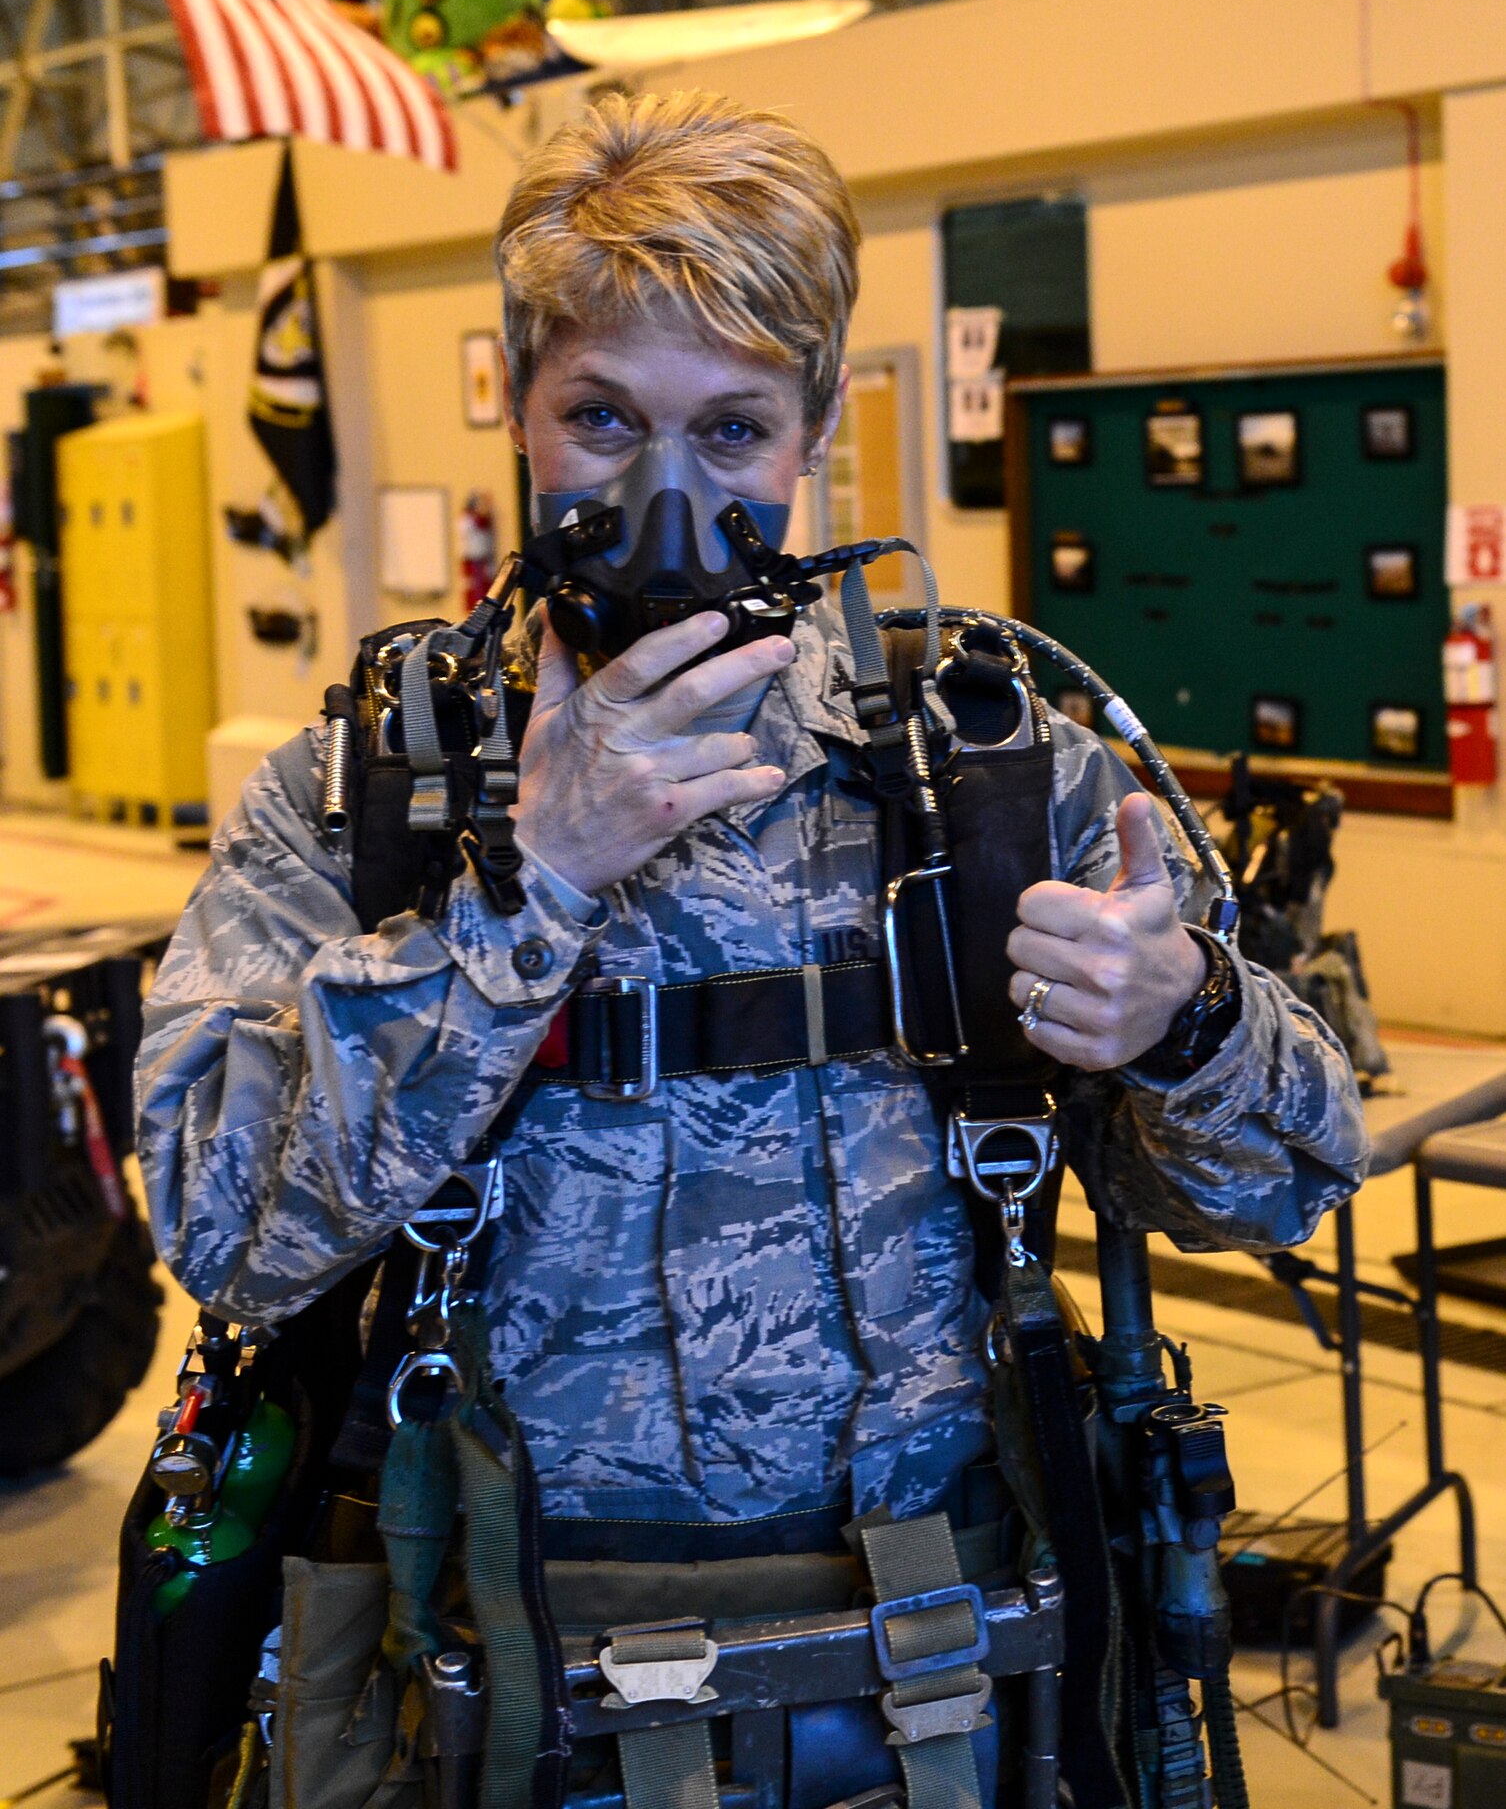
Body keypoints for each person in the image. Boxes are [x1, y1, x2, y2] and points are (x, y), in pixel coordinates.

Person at [136, 89, 1370, 1799]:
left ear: (810, 437)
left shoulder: (980, 770)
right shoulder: (373, 792)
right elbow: (222, 1229)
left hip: (928, 1653)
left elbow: (1293, 1178)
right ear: (516, 409)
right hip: (504, 1647)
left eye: (730, 431)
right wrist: (534, 880)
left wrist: (1180, 1019)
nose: (663, 489)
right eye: (600, 418)